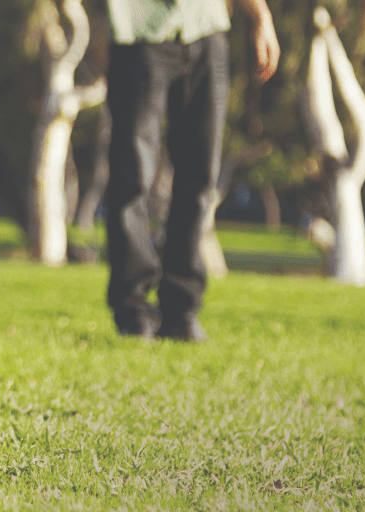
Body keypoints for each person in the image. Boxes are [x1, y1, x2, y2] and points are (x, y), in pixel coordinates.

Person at [104, 0, 280, 340]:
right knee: (133, 178)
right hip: (141, 33)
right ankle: (133, 310)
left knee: (200, 180)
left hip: (205, 30)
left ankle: (181, 310)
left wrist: (262, 16)